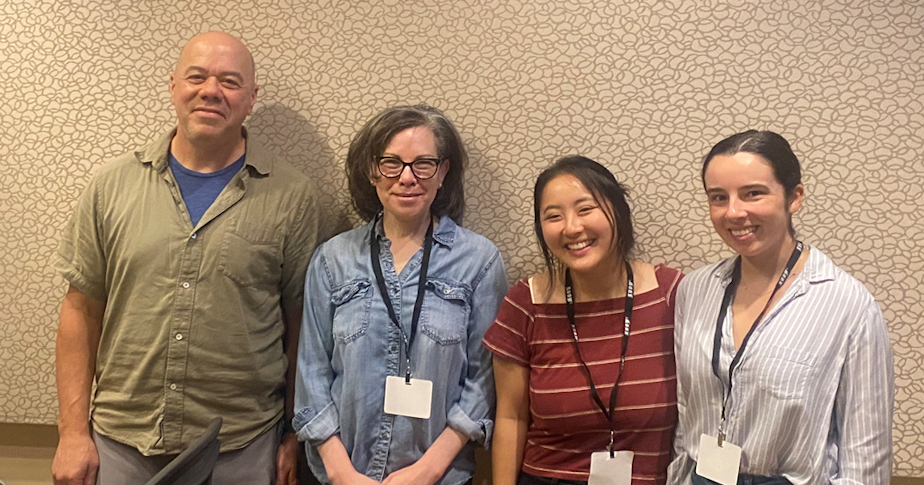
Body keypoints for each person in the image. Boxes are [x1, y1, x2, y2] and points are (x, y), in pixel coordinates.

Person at [51, 32, 331, 485]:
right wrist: (71, 433)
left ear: (252, 97)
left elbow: (303, 325)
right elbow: (80, 310)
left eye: (230, 81)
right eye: (196, 76)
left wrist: (294, 433)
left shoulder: (292, 196)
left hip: (242, 444)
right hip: (120, 442)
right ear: (173, 85)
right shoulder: (110, 186)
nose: (210, 91)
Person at [293, 105, 508, 485]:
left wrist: (427, 471)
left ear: (443, 172)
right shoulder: (333, 259)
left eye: (423, 164)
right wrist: (342, 473)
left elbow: (483, 380)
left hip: (440, 479)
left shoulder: (478, 261)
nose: (407, 178)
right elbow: (311, 373)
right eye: (391, 163)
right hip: (340, 476)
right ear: (371, 170)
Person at [667, 130, 893, 485]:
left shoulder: (847, 305)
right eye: (718, 197)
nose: (734, 212)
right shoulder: (695, 291)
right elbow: (687, 419)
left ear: (795, 196)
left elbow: (866, 459)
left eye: (753, 193)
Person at [484, 156, 683, 485]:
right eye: (553, 216)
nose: (572, 227)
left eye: (585, 209)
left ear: (618, 210)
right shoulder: (526, 302)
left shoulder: (670, 294)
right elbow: (510, 416)